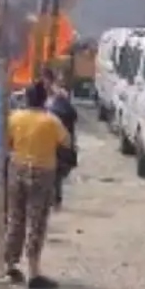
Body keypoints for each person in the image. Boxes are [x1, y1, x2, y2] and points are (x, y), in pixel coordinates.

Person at [3, 81, 72, 289]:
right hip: (43, 172)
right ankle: (33, 271)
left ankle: (10, 266)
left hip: (17, 168)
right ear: (44, 99)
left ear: (26, 99)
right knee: (37, 221)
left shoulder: (14, 118)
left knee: (16, 217)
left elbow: (7, 142)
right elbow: (66, 142)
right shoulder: (51, 121)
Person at [47, 76, 79, 209]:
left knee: (52, 174)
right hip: (64, 148)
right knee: (58, 176)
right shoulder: (69, 109)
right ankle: (56, 200)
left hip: (54, 146)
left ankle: (52, 199)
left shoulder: (52, 110)